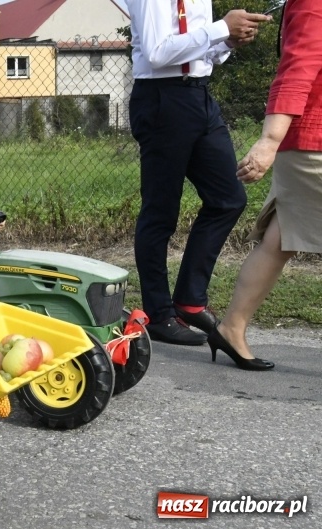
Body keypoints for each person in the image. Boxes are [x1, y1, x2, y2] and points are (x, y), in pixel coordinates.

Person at [126, 1, 272, 345]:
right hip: (162, 98)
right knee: (161, 211)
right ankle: (159, 314)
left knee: (228, 198)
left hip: (199, 94)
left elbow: (198, 47)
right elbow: (158, 53)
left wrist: (226, 44)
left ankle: (190, 299)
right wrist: (222, 27)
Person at [211, 0, 322, 371]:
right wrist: (269, 140)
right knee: (280, 240)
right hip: (313, 142)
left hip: (309, 141)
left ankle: (232, 326)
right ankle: (232, 326)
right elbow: (298, 68)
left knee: (279, 240)